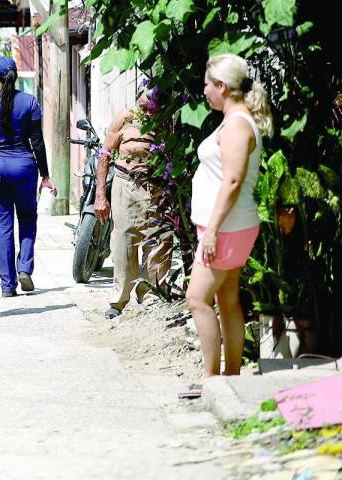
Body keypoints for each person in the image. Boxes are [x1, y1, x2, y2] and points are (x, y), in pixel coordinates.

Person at [180, 54, 271, 400]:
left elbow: (232, 180)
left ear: (221, 86)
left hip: (227, 228)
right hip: (232, 226)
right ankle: (231, 377)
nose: (203, 91)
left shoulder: (235, 125)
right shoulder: (235, 120)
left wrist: (213, 231)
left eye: (207, 84)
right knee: (227, 299)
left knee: (197, 297)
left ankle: (211, 378)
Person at [0, 57, 54, 297]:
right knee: (28, 219)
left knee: (3, 226)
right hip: (25, 168)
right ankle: (25, 268)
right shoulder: (30, 102)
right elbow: (38, 143)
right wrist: (45, 175)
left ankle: (7, 286)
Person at [95, 87, 165, 319]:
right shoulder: (125, 117)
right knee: (123, 240)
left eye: (153, 104)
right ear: (138, 99)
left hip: (155, 186)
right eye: (145, 103)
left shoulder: (164, 120)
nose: (148, 109)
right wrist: (100, 194)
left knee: (157, 240)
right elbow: (105, 154)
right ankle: (119, 300)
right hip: (125, 185)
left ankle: (153, 295)